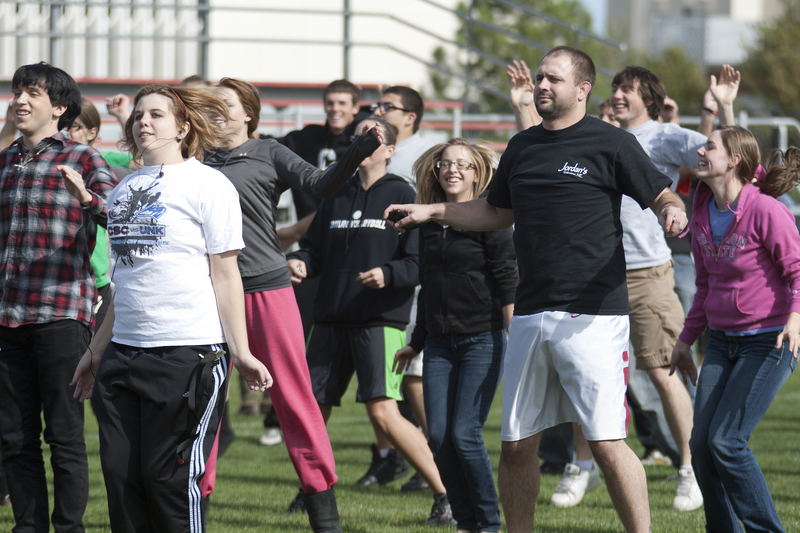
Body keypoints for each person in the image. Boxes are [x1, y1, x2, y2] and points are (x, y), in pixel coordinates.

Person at [386, 46, 688, 533]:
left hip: (592, 316)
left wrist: (670, 209)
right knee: (516, 444)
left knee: (607, 443)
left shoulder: (610, 143)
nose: (542, 86)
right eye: (540, 78)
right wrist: (432, 211)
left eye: (553, 79)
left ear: (583, 89)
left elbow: (660, 192)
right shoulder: (522, 146)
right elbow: (495, 213)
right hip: (529, 314)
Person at [69, 84, 271, 533]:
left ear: (183, 128)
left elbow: (226, 275)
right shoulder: (124, 191)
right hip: (123, 356)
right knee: (122, 482)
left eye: (156, 115)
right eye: (139, 114)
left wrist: (241, 351)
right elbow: (124, 284)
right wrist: (96, 352)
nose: (144, 121)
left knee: (169, 483)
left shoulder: (209, 185)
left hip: (188, 355)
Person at [204, 77, 382, 530]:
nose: (216, 111)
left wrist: (357, 152)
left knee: (294, 399)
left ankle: (322, 506)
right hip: (204, 293)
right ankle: (196, 504)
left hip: (266, 289)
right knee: (202, 400)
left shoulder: (269, 151)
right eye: (210, 105)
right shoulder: (194, 160)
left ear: (248, 112)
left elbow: (321, 185)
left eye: (225, 104)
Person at [288, 116, 453, 526]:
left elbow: (419, 265)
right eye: (357, 136)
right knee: (313, 413)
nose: (361, 142)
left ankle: (447, 493)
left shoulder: (403, 195)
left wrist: (388, 275)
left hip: (379, 320)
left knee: (383, 413)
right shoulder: (334, 194)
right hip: (330, 319)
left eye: (372, 136)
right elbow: (314, 251)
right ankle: (311, 490)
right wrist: (301, 262)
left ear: (390, 150)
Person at [0, 62, 117, 533]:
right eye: (17, 93)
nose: (20, 101)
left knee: (65, 436)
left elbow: (120, 219)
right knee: (13, 438)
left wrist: (88, 199)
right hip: (6, 318)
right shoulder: (5, 160)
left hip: (62, 315)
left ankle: (70, 528)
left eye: (31, 94)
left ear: (59, 107)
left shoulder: (85, 158)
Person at [671, 128, 800, 533]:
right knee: (701, 448)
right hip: (723, 342)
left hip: (771, 340)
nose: (699, 150)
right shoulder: (702, 208)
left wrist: (796, 320)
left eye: (710, 146)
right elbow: (705, 285)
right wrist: (685, 340)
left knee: (726, 442)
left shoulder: (766, 210)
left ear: (734, 161)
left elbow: (798, 271)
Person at [393, 138, 516, 533]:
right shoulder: (427, 224)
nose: (452, 170)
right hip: (441, 344)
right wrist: (416, 340)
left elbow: (507, 279)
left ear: (477, 174)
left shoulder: (490, 220)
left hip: (482, 338)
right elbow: (429, 286)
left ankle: (490, 523)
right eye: (445, 164)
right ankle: (466, 523)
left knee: (465, 435)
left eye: (463, 165)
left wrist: (515, 332)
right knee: (440, 438)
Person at [368, 85, 433, 492]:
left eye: (386, 107)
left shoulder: (427, 153)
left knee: (411, 371)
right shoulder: (364, 149)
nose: (378, 112)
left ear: (409, 117)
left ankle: (436, 453)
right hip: (378, 273)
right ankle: (390, 457)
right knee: (382, 379)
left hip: (413, 272)